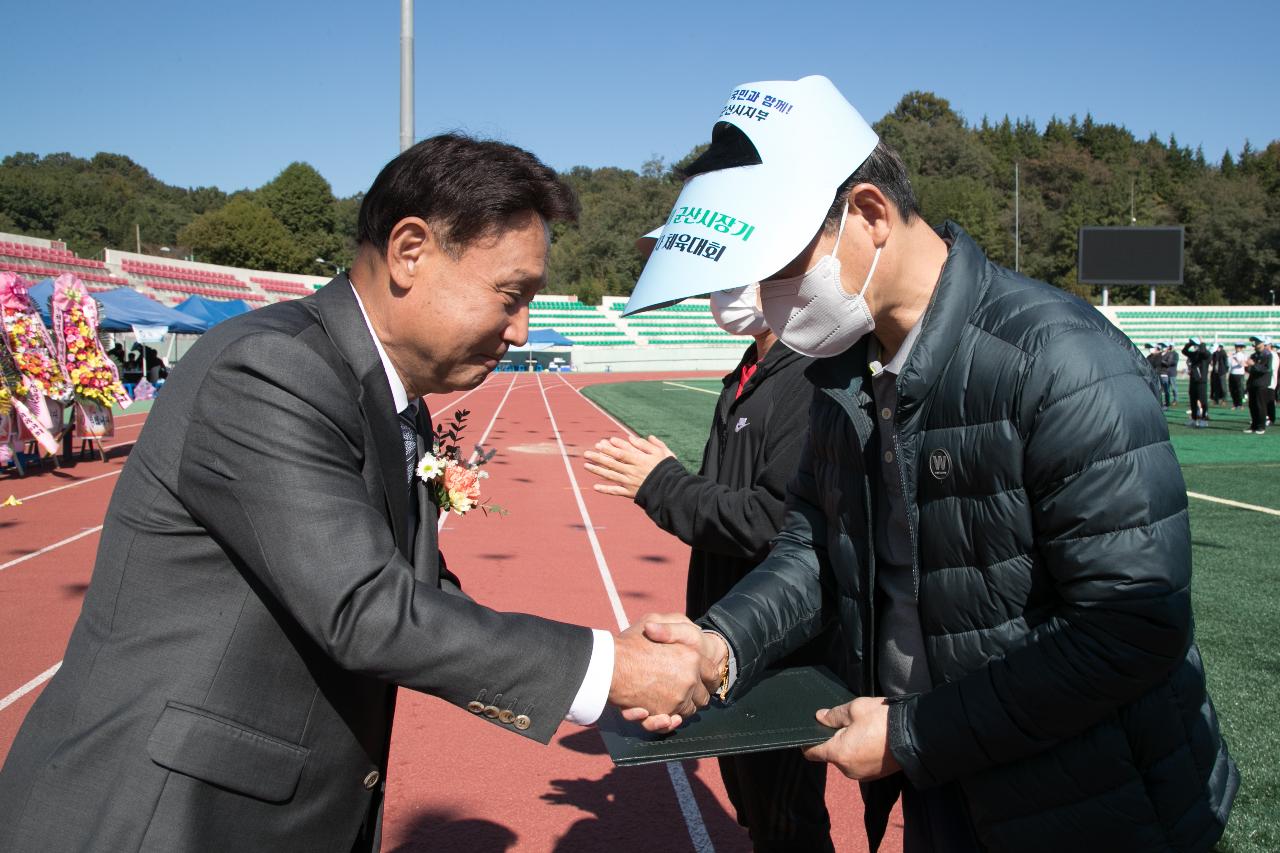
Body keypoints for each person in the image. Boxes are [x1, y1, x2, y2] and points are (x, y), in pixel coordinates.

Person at [0, 134, 712, 852]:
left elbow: (416, 592)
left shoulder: (389, 398)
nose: (521, 329)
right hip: (160, 815)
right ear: (410, 251)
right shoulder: (273, 367)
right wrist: (605, 669)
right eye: (511, 294)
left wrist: (608, 669)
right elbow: (366, 608)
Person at [627, 76, 1237, 852]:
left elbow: (1133, 628)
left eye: (776, 269)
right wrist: (725, 641)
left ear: (870, 215)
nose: (767, 302)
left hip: (1091, 796)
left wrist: (916, 731)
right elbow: (814, 539)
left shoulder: (1058, 358)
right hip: (947, 774)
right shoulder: (842, 372)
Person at [584, 277, 835, 852]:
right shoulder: (748, 372)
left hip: (778, 640)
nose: (716, 297)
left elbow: (773, 520)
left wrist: (662, 484)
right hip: (728, 627)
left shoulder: (806, 375)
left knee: (787, 817)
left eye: (730, 282)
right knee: (755, 808)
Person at [1244, 335, 1272, 434]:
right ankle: (1254, 425)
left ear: (1261, 343)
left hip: (1262, 383)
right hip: (1253, 383)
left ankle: (1261, 426)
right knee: (1253, 406)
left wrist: (1253, 365)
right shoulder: (1254, 355)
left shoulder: (1267, 355)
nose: (1254, 344)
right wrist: (1247, 366)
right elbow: (1250, 369)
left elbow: (1266, 369)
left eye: (1256, 341)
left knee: (1260, 405)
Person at [1182, 337, 1210, 427]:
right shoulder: (1194, 354)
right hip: (1193, 380)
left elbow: (1204, 353)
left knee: (1203, 401)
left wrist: (1202, 343)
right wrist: (1190, 343)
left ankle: (1204, 419)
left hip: (1202, 381)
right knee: (1193, 400)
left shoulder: (1206, 354)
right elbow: (1184, 351)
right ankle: (1194, 419)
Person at [1228, 342, 1248, 409]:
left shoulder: (1243, 355)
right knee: (1232, 390)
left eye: (1239, 347)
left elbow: (1243, 364)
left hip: (1239, 374)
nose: (1237, 348)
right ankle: (1235, 404)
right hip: (1232, 373)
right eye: (1236, 347)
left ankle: (1241, 404)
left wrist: (1237, 360)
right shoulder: (1233, 355)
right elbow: (1228, 364)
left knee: (1240, 390)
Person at [1160, 341, 1180, 409]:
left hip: (1172, 372)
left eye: (1171, 346)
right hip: (1166, 373)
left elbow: (1174, 362)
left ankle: (1175, 400)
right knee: (1167, 388)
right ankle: (1167, 400)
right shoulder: (1166, 353)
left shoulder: (1175, 354)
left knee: (1174, 387)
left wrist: (1165, 362)